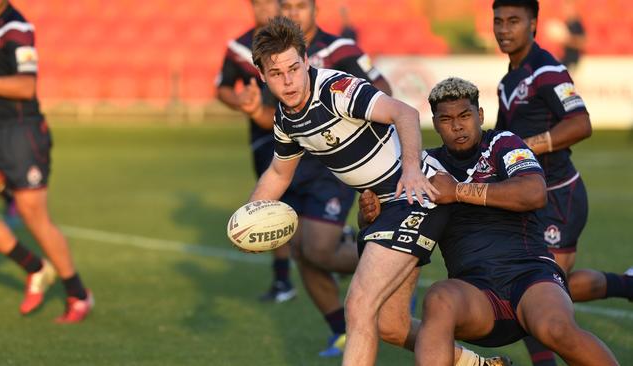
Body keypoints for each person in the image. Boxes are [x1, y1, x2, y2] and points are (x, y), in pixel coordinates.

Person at [247, 16, 506, 366]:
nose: (289, 80)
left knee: (359, 304)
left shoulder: (336, 92)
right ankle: (478, 365)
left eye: (294, 68)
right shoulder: (286, 118)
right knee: (391, 325)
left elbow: (405, 113)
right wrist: (250, 216)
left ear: (307, 60)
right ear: (263, 75)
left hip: (412, 197)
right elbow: (279, 172)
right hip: (381, 208)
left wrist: (412, 170)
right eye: (277, 74)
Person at [361, 77, 619, 366]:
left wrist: (457, 191)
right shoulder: (425, 167)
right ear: (434, 123)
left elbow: (534, 193)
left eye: (464, 116)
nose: (457, 126)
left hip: (530, 275)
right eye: (446, 119)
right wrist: (369, 216)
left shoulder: (503, 144)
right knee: (438, 298)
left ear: (480, 115)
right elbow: (391, 220)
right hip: (476, 293)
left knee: (555, 329)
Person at [492, 1, 632, 364]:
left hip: (558, 197)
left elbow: (581, 124)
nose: (504, 29)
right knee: (539, 290)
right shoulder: (509, 80)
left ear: (534, 24)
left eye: (513, 21)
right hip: (529, 199)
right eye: (498, 21)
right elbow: (504, 137)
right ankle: (628, 284)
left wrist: (529, 146)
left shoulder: (547, 71)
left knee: (534, 291)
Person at [278, 0, 392, 356]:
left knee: (318, 247)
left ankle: (396, 266)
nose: (294, 12)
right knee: (299, 248)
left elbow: (383, 88)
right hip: (299, 167)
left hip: (335, 168)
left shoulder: (340, 50)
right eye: (287, 6)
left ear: (315, 9)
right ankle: (339, 331)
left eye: (301, 6)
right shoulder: (280, 59)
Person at [0, 0, 92, 322]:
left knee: (34, 216)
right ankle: (36, 268)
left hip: (21, 134)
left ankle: (78, 294)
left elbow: (25, 86)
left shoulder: (17, 28)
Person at [216, 0, 297, 304]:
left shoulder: (297, 42)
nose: (266, 9)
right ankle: (282, 280)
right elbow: (222, 87)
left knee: (306, 201)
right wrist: (241, 103)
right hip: (265, 137)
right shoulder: (239, 47)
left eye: (272, 3)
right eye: (259, 4)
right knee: (272, 206)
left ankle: (334, 239)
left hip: (305, 130)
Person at [559, 0, 585, 72]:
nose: (566, 11)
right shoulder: (566, 23)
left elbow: (583, 42)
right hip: (566, 60)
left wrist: (567, 39)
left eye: (568, 9)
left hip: (574, 61)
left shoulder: (577, 23)